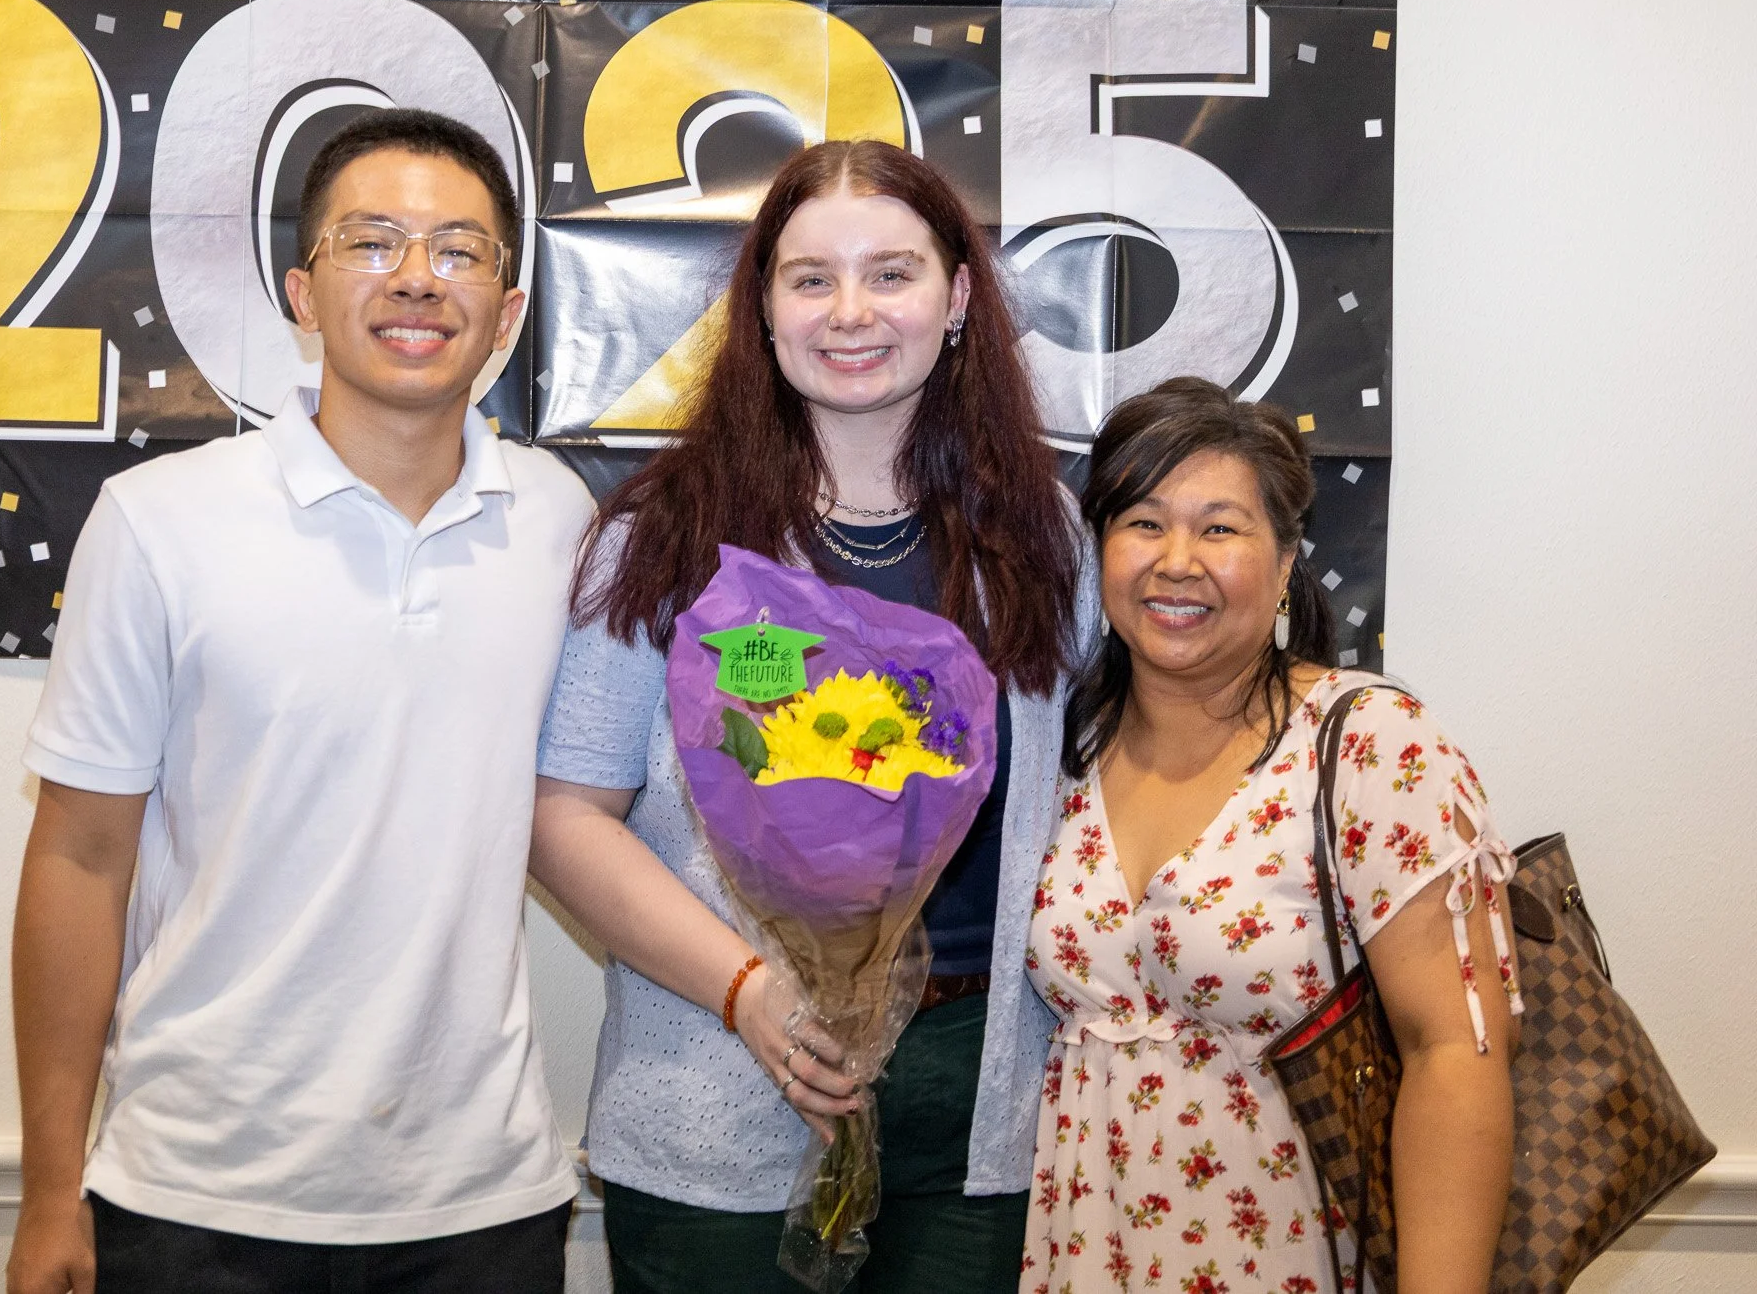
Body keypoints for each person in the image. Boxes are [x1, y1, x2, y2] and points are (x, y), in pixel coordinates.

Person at [5, 110, 593, 1294]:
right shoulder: (158, 520)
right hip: (194, 1198)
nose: (417, 278)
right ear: (302, 293)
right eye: (371, 242)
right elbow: (78, 857)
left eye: (459, 250)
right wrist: (46, 1190)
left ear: (509, 308)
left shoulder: (564, 522)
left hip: (481, 1202)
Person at [529, 139, 1096, 1292]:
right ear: (764, 309)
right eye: (810, 277)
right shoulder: (662, 537)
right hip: (717, 1084)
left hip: (983, 1096)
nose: (851, 312)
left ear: (957, 298)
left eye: (891, 273)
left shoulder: (1043, 538)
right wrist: (750, 993)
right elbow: (562, 815)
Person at [1024, 378, 1519, 1293]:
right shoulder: (1061, 748)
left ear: (1287, 561)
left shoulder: (1370, 744)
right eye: (1142, 522)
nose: (1177, 560)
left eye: (1220, 528)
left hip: (1298, 1253)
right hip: (1091, 1249)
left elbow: (1458, 1049)